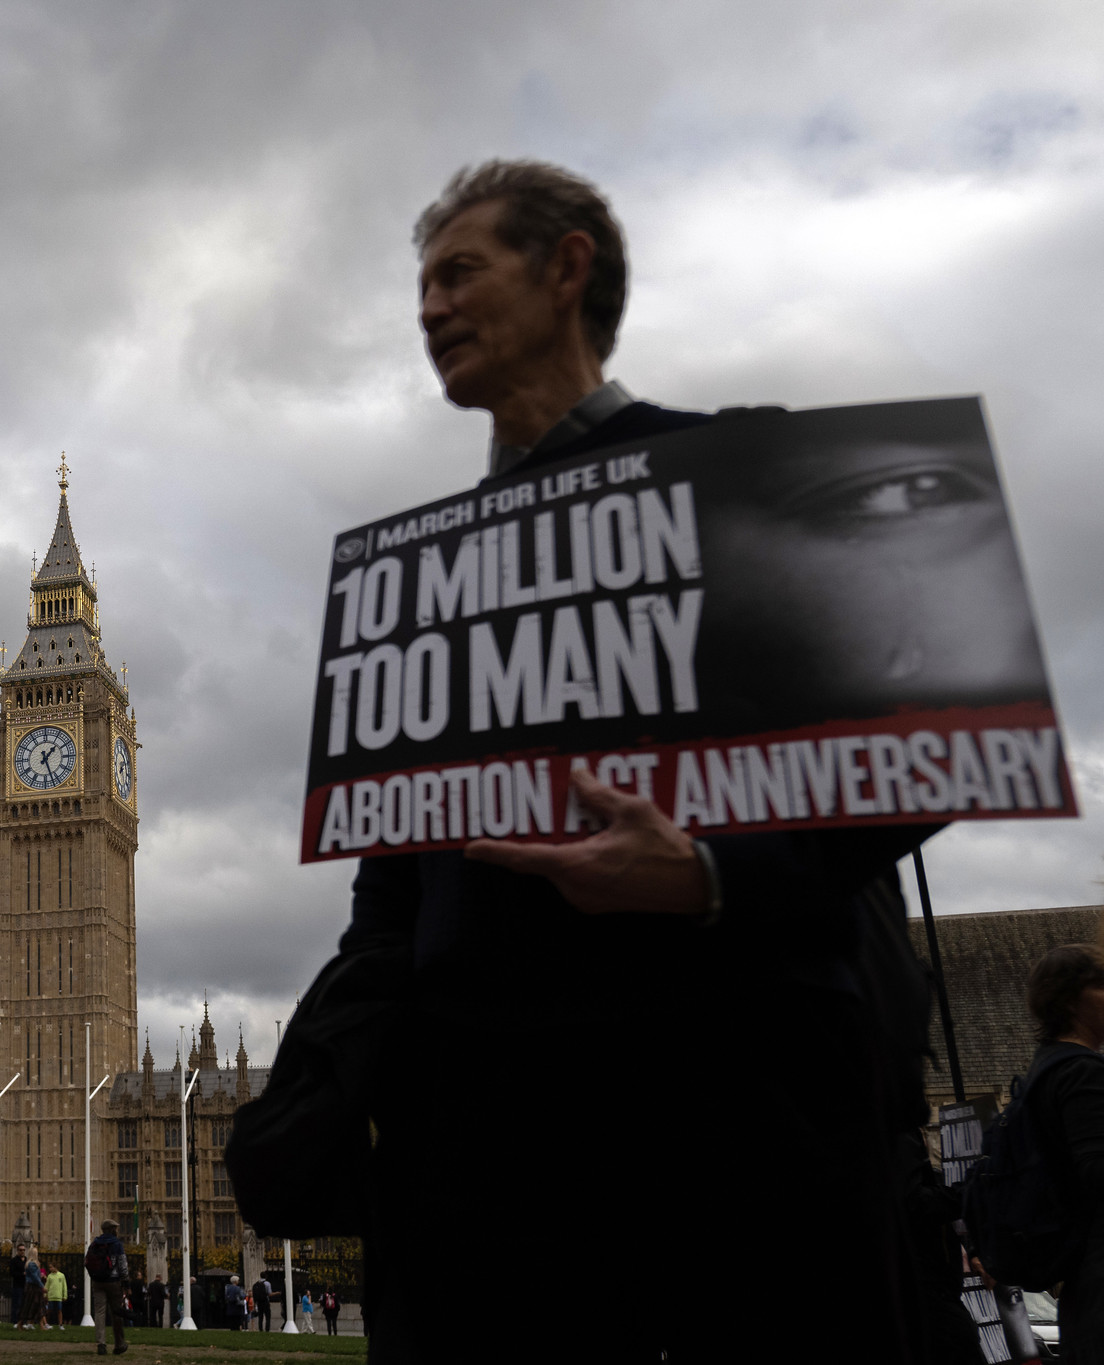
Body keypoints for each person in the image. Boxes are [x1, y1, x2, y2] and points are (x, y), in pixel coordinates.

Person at [314, 160, 942, 1364]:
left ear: (565, 271)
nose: (427, 308)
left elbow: (914, 751)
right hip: (485, 1149)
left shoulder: (742, 483)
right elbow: (394, 868)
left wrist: (712, 873)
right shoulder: (420, 577)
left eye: (459, 272)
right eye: (419, 285)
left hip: (727, 1115)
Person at [1018, 945, 1104, 1362]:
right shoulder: (1081, 1071)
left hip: (1078, 1286)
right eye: (1100, 986)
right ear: (1070, 1000)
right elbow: (1096, 1171)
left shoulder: (1043, 1069)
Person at [86, 1219, 128, 1355]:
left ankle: (101, 1343)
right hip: (113, 1282)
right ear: (112, 1230)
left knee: (99, 1312)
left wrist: (95, 1276)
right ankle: (119, 1344)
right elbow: (122, 1264)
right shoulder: (116, 1244)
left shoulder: (95, 1244)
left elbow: (88, 1261)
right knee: (116, 1313)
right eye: (115, 1228)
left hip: (97, 1282)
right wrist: (125, 1281)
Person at [44, 1262, 68, 1328]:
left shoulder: (62, 1275)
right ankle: (47, 1324)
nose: (50, 1269)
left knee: (59, 1311)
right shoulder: (49, 1276)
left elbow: (64, 1286)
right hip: (51, 1296)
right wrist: (45, 1295)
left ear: (55, 1267)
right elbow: (47, 1286)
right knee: (49, 1311)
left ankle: (60, 1324)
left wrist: (65, 1295)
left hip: (59, 1297)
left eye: (51, 1267)